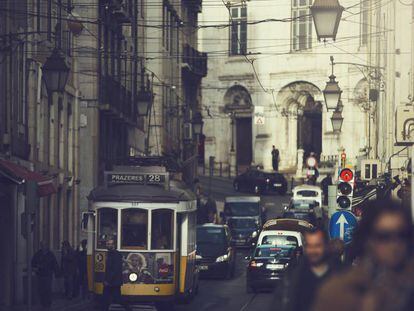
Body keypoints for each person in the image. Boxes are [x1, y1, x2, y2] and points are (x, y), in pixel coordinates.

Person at [312, 200, 414, 311]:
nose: (395, 244)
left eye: (402, 235)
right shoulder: (338, 291)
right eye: (384, 237)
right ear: (367, 239)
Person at [282, 227, 339, 311]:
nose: (313, 250)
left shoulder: (340, 273)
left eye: (317, 245)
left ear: (326, 246)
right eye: (309, 246)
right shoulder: (294, 274)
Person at [31, 241, 59, 310]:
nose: (43, 247)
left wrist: (57, 273)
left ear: (47, 246)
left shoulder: (50, 254)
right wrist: (35, 267)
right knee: (41, 290)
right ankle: (43, 303)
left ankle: (48, 304)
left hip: (48, 275)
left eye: (44, 245)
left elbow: (55, 264)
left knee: (47, 289)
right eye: (42, 245)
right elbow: (32, 262)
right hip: (40, 275)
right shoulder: (38, 254)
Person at [103, 238, 123, 311]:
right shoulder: (109, 254)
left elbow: (115, 269)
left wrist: (107, 280)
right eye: (107, 244)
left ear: (113, 245)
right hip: (112, 281)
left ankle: (129, 308)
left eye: (109, 244)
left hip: (114, 282)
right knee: (105, 299)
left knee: (118, 299)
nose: (107, 245)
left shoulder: (116, 254)